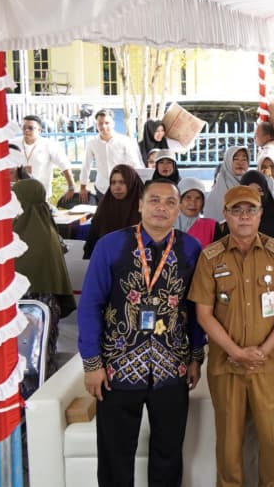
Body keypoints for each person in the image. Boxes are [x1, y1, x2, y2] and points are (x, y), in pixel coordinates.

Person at [78, 179, 205, 487]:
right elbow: (90, 305)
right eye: (154, 200)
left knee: (168, 453)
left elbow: (197, 308)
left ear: (179, 209)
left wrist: (196, 357)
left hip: (171, 368)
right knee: (115, 455)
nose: (162, 207)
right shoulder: (111, 245)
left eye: (170, 202)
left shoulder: (191, 248)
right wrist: (92, 363)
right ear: (140, 205)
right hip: (117, 368)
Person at [189, 184, 274, 487]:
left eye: (251, 209)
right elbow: (203, 314)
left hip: (270, 363)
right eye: (236, 210)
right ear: (225, 215)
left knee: (270, 436)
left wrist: (263, 349)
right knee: (229, 439)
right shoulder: (210, 257)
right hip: (227, 365)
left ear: (261, 213)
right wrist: (236, 352)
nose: (244, 216)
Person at [11, 178, 76, 370]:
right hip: (45, 307)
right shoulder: (48, 227)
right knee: (40, 360)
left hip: (17, 307)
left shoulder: (9, 233)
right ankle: (41, 396)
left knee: (15, 362)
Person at [78, 110, 144, 203]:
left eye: (107, 123)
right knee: (105, 216)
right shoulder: (92, 143)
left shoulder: (124, 141)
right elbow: (86, 165)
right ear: (96, 125)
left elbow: (134, 164)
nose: (103, 126)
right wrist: (83, 187)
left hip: (123, 187)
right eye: (100, 123)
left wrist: (138, 187)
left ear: (113, 123)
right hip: (102, 188)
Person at [82, 165, 145, 259]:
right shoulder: (104, 208)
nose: (117, 187)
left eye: (122, 182)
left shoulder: (145, 210)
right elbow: (92, 245)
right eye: (113, 182)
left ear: (132, 184)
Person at [14, 115, 76, 202]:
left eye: (30, 128)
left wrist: (71, 187)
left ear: (39, 130)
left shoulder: (49, 144)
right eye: (24, 127)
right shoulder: (14, 143)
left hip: (41, 195)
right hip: (18, 194)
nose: (26, 130)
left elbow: (64, 165)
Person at [205, 146, 249, 220]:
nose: (240, 163)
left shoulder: (251, 187)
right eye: (235, 159)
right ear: (228, 162)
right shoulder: (216, 193)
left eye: (244, 159)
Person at [176, 177, 219, 245]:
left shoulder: (211, 227)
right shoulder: (166, 225)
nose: (193, 203)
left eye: (198, 198)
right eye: (188, 197)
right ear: (179, 200)